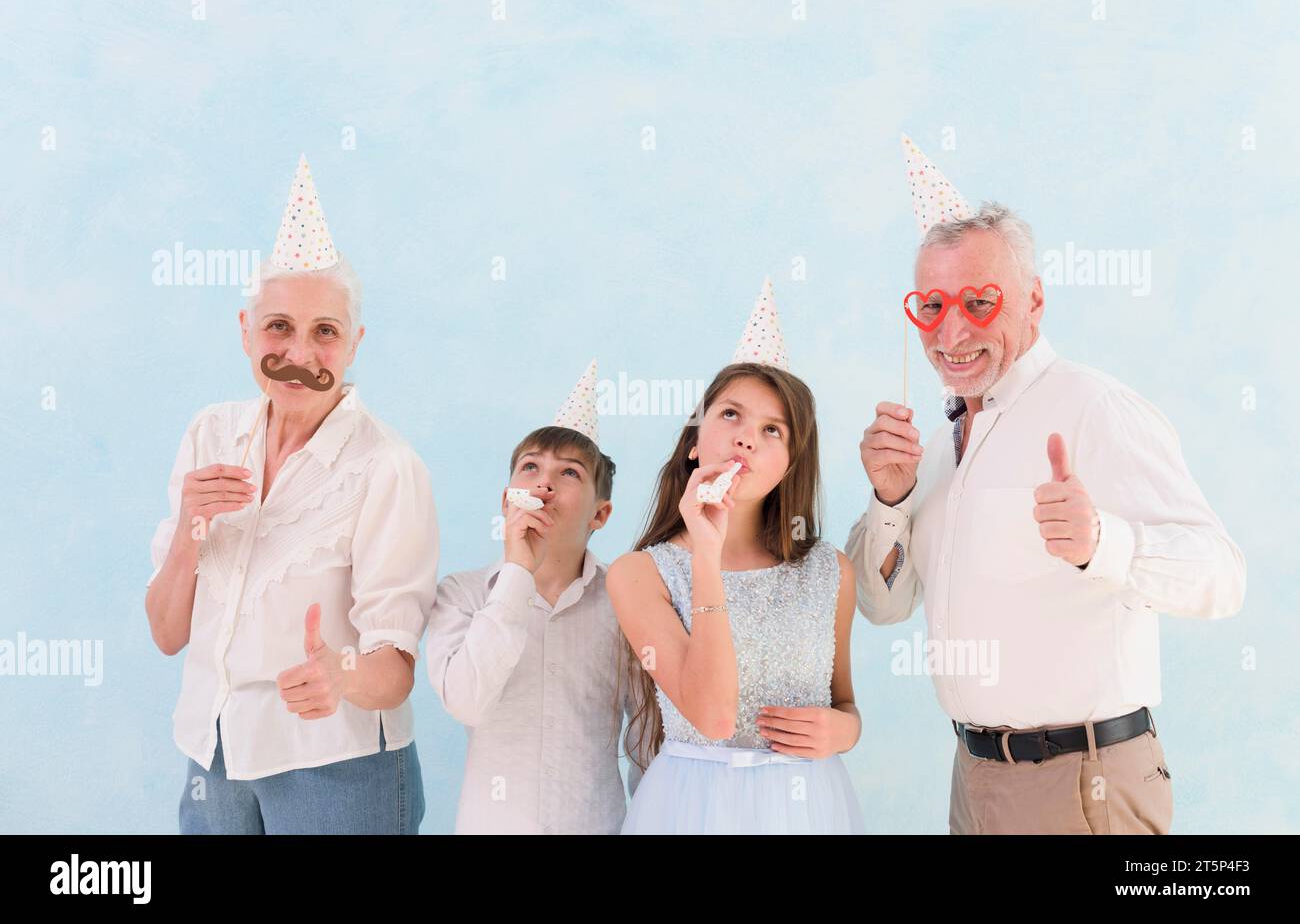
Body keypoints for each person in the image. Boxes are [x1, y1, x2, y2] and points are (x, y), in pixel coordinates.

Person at [846, 136, 1246, 834]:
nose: (952, 331)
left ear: (1033, 300)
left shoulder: (1093, 408)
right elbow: (883, 609)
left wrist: (1103, 543)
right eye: (932, 307)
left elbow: (1224, 577)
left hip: (1080, 782)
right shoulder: (937, 450)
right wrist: (889, 501)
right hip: (972, 778)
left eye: (978, 300)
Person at [145, 155, 437, 834]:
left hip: (335, 766)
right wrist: (190, 529)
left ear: (354, 343)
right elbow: (166, 632)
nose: (299, 353)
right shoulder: (208, 432)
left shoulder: (388, 467)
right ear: (245, 332)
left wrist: (341, 673)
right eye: (278, 326)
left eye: (324, 332)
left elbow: (394, 672)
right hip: (212, 755)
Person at [611, 281, 866, 834]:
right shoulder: (639, 575)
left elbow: (845, 704)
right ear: (694, 442)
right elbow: (713, 716)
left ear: (788, 465)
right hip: (691, 809)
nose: (746, 438)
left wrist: (843, 733)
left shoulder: (829, 571)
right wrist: (705, 555)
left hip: (806, 810)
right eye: (730, 415)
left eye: (771, 430)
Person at [425, 361, 643, 834]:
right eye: (531, 467)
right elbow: (466, 703)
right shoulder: (461, 594)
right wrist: (518, 572)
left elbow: (646, 737)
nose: (544, 483)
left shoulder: (627, 601)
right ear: (507, 500)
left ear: (600, 514)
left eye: (569, 473)